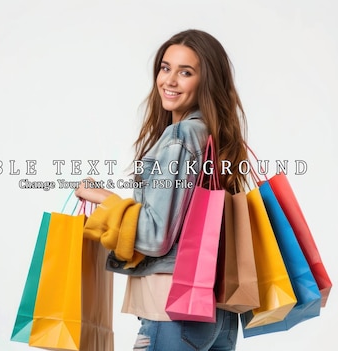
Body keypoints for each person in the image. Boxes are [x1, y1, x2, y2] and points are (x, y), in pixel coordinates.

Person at [75, 29, 249, 351]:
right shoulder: (214, 137)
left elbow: (156, 236)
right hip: (220, 314)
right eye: (165, 68)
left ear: (205, 82)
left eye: (186, 72)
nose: (169, 80)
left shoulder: (180, 136)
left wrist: (106, 199)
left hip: (172, 308)